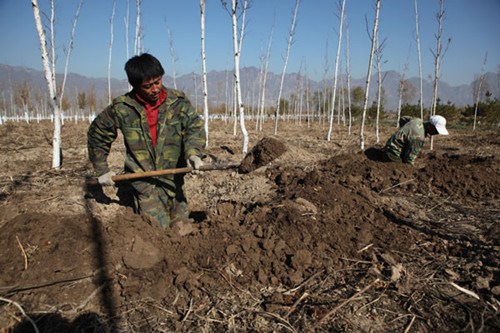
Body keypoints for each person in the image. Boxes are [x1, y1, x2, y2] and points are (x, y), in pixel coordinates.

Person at [87, 53, 206, 229]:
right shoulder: (123, 107)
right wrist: (102, 169)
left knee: (182, 230)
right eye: (148, 86)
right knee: (157, 231)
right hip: (144, 184)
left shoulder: (177, 102)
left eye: (158, 82)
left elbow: (194, 128)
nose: (155, 89)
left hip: (174, 180)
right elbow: (98, 133)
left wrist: (193, 153)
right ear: (136, 86)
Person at [381, 115, 449, 165]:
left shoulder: (417, 120)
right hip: (392, 155)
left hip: (389, 146)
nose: (436, 133)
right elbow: (409, 159)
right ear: (430, 126)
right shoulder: (419, 137)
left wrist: (404, 132)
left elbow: (403, 118)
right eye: (436, 131)